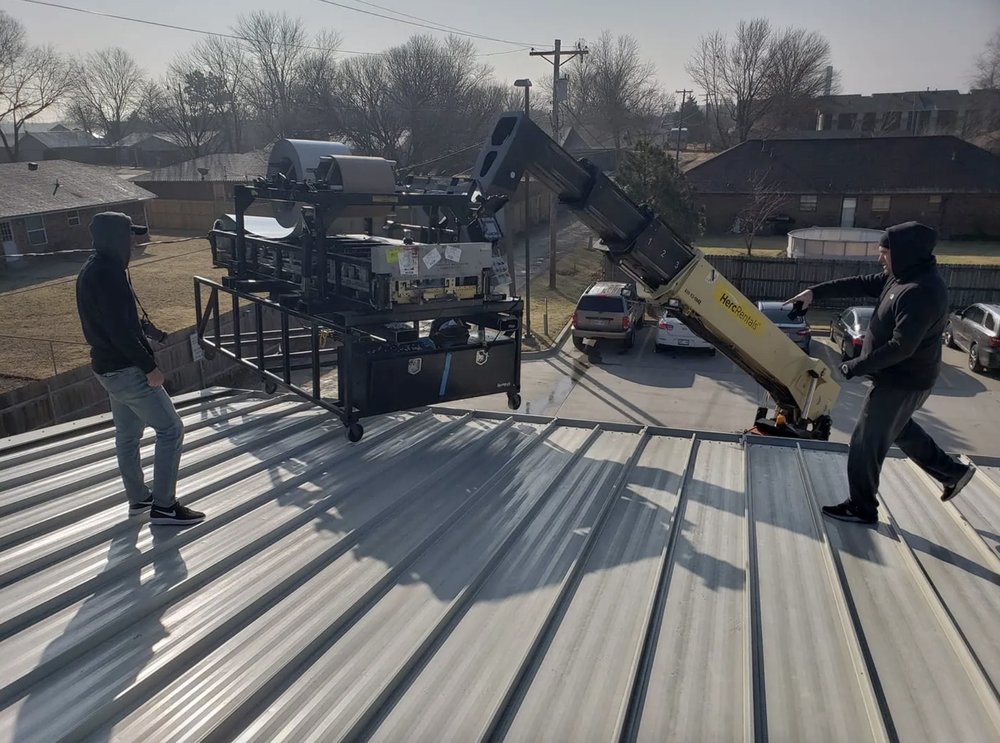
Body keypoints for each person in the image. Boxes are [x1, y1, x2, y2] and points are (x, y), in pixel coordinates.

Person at [786, 221, 976, 524]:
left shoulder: (921, 292)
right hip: (898, 378)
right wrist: (814, 293)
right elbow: (860, 283)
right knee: (899, 430)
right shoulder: (900, 276)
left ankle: (862, 507)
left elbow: (902, 347)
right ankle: (954, 473)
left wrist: (855, 366)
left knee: (865, 442)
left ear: (905, 253)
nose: (880, 260)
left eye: (884, 253)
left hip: (903, 381)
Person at [76, 211, 205, 526]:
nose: (135, 241)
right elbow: (120, 331)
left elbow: (120, 320)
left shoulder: (93, 269)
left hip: (107, 369)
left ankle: (139, 500)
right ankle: (164, 506)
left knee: (128, 435)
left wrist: (153, 333)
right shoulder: (109, 275)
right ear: (116, 237)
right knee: (171, 430)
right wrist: (150, 368)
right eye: (130, 235)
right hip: (127, 369)